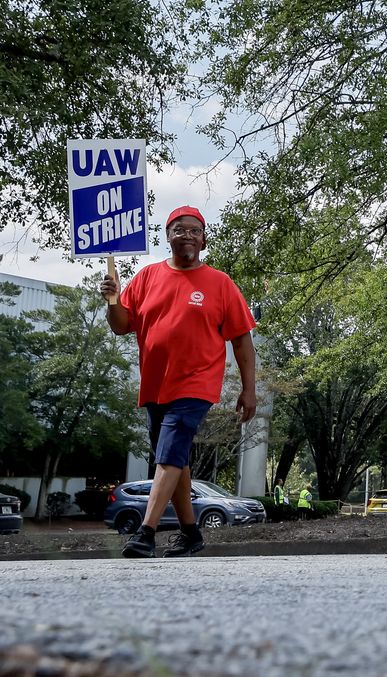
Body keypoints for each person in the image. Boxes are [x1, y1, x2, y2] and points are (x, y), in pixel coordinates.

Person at [101, 206, 257, 559]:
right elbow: (121, 324)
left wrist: (250, 389)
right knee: (174, 459)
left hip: (196, 383)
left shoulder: (220, 283)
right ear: (167, 236)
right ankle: (190, 532)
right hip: (156, 385)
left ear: (204, 240)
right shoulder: (146, 277)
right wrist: (112, 299)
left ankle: (146, 532)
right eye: (178, 229)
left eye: (193, 230)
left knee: (169, 453)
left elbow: (242, 339)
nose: (186, 235)